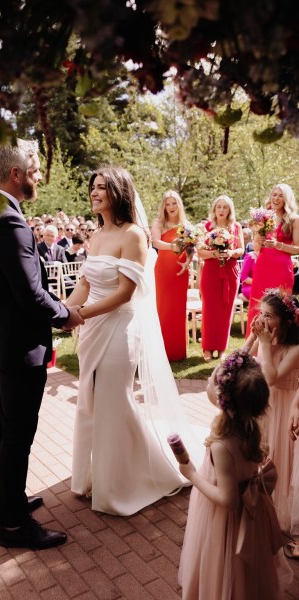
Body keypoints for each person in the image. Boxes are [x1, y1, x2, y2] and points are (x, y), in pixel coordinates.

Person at [66, 165, 205, 516]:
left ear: (118, 192)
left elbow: (125, 293)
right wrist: (61, 311)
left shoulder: (135, 236)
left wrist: (80, 314)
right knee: (89, 400)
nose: (94, 193)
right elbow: (84, 284)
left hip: (118, 329)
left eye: (101, 187)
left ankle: (129, 480)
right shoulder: (96, 235)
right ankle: (88, 476)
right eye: (92, 187)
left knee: (114, 402)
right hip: (92, 329)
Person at [0, 139, 83, 550]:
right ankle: (14, 527)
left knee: (3, 424)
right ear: (16, 174)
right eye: (34, 171)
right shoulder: (10, 220)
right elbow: (31, 293)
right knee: (18, 433)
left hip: (0, 342)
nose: (37, 178)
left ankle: (1, 504)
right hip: (18, 348)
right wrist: (67, 315)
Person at [179, 350, 292, 599]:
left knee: (225, 566)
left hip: (225, 520)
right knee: (248, 573)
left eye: (215, 385)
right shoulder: (253, 426)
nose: (211, 385)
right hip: (253, 516)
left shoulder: (222, 445)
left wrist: (193, 476)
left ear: (223, 401)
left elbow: (229, 500)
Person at [242, 288, 299, 536]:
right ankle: (259, 503)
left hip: (284, 409)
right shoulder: (265, 341)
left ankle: (278, 511)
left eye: (270, 316)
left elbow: (271, 378)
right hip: (265, 408)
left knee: (279, 460)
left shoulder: (295, 349)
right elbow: (242, 360)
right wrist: (253, 340)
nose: (263, 321)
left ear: (285, 322)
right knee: (261, 455)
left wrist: (264, 343)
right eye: (261, 314)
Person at [246, 184, 299, 335]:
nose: (276, 198)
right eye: (274, 194)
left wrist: (279, 245)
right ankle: (255, 350)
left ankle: (279, 348)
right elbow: (257, 248)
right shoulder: (264, 217)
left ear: (287, 198)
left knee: (280, 308)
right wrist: (257, 235)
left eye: (280, 195)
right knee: (258, 306)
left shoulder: (294, 219)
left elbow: (298, 248)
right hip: (262, 268)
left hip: (282, 269)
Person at [198, 195, 244, 362]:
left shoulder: (236, 226)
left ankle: (221, 348)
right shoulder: (207, 227)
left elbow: (241, 250)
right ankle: (207, 348)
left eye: (225, 207)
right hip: (211, 272)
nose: (222, 210)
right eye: (219, 207)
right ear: (214, 209)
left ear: (230, 210)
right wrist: (213, 253)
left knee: (226, 311)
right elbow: (200, 252)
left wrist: (231, 253)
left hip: (230, 272)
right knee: (209, 310)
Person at [152, 190, 191, 361]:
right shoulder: (159, 223)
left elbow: (191, 247)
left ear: (179, 205)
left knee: (178, 309)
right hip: (163, 269)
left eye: (174, 203)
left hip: (181, 269)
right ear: (164, 207)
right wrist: (172, 246)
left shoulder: (186, 224)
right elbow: (155, 242)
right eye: (168, 204)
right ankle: (162, 352)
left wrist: (188, 261)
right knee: (164, 308)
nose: (171, 207)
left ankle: (177, 351)